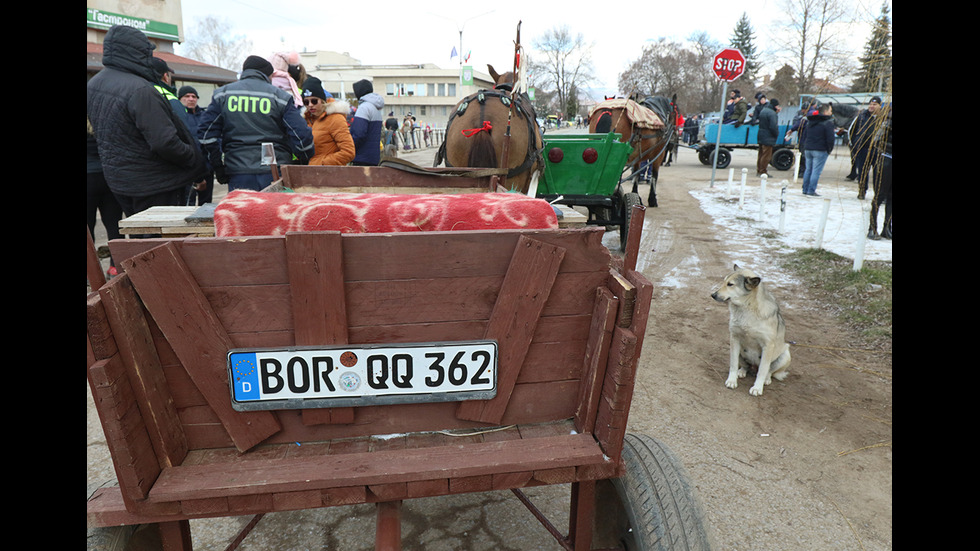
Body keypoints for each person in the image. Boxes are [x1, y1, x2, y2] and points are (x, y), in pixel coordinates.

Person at [87, 25, 207, 228]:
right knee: (161, 247)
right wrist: (192, 159)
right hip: (156, 185)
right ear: (134, 53)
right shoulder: (140, 89)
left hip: (121, 182)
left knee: (139, 242)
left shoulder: (94, 84)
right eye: (146, 52)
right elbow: (165, 142)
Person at [198, 55, 314, 192]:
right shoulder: (280, 97)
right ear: (269, 75)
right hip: (274, 172)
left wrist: (218, 166)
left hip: (238, 171)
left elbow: (206, 135)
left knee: (243, 212)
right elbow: (302, 138)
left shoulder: (222, 95)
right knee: (274, 212)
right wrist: (303, 161)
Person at [87, 117, 123, 277]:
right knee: (114, 225)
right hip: (108, 177)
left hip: (88, 178)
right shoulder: (104, 119)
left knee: (88, 228)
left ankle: (90, 272)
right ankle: (115, 267)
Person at [302, 76, 355, 166]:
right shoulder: (307, 120)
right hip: (312, 173)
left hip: (330, 175)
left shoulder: (335, 119)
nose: (310, 105)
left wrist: (320, 164)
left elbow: (348, 152)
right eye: (306, 102)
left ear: (322, 101)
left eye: (314, 101)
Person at [176, 85, 215, 205]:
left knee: (206, 205)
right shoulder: (177, 117)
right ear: (180, 99)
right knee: (187, 204)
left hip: (206, 167)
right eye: (186, 96)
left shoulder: (205, 115)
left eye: (193, 96)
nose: (191, 99)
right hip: (187, 169)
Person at [846, 96, 882, 199]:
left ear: (880, 106)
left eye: (874, 104)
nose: (871, 106)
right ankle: (862, 191)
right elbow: (851, 131)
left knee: (878, 174)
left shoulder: (884, 117)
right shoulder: (861, 116)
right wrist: (855, 145)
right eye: (870, 104)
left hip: (877, 150)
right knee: (862, 172)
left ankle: (878, 195)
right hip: (862, 149)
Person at [867, 103, 892, 240]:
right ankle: (872, 227)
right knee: (880, 195)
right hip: (886, 161)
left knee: (891, 197)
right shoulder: (887, 121)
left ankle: (887, 227)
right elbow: (876, 140)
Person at [799, 103, 835, 197]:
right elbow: (830, 138)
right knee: (816, 171)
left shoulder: (811, 121)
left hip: (808, 148)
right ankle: (811, 190)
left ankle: (805, 189)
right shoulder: (828, 123)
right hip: (820, 149)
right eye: (830, 111)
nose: (831, 113)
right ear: (826, 111)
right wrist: (829, 149)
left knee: (808, 170)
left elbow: (805, 134)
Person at [349, 79, 385, 166]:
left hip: (361, 157)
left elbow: (359, 134)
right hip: (373, 157)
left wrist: (349, 148)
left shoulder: (364, 107)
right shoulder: (375, 108)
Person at [756, 99, 780, 177]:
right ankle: (763, 171)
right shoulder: (772, 114)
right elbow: (773, 126)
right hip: (768, 136)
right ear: (774, 106)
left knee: (761, 154)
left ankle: (759, 170)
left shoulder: (764, 110)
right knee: (766, 155)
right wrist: (776, 134)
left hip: (761, 134)